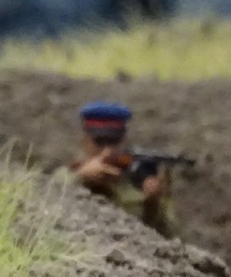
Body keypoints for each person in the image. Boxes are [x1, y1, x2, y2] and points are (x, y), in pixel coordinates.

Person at [58, 102, 180, 238]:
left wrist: (153, 203)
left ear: (124, 141)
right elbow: (51, 204)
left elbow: (169, 236)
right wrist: (81, 178)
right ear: (85, 141)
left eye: (113, 142)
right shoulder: (67, 176)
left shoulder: (135, 181)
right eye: (99, 142)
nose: (107, 150)